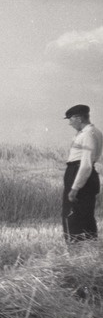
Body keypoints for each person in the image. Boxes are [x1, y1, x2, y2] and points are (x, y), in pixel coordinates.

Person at [62, 104, 103, 243]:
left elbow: (85, 165)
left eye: (70, 119)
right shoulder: (95, 132)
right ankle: (90, 250)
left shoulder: (87, 135)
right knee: (86, 215)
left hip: (79, 173)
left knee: (72, 215)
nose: (69, 123)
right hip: (87, 175)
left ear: (78, 118)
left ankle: (75, 253)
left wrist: (75, 188)